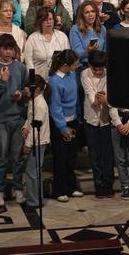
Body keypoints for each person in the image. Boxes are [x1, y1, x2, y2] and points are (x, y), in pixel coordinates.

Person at [0, 34, 29, 207]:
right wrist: (2, 82)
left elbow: (27, 88)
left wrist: (22, 94)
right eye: (5, 49)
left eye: (11, 49)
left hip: (17, 116)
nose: (8, 52)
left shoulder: (20, 67)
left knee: (17, 156)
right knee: (2, 157)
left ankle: (18, 188)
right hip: (1, 118)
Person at [47, 49, 82, 202]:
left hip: (73, 119)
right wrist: (63, 128)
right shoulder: (54, 81)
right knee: (60, 158)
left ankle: (71, 186)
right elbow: (55, 107)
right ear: (66, 65)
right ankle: (59, 190)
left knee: (71, 157)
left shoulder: (72, 74)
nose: (77, 67)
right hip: (60, 123)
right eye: (75, 65)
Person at [80, 50, 116, 198]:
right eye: (95, 69)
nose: (99, 72)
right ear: (90, 65)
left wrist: (104, 98)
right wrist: (98, 99)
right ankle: (99, 185)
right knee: (95, 155)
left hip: (107, 119)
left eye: (101, 69)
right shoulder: (85, 74)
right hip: (91, 119)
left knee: (108, 155)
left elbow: (110, 96)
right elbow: (90, 95)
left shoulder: (109, 74)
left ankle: (108, 184)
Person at [21, 73, 52, 209]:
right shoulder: (33, 101)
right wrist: (25, 127)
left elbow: (36, 126)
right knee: (33, 171)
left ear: (37, 89)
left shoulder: (39, 104)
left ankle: (34, 201)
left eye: (28, 87)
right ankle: (35, 198)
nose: (26, 90)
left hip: (38, 142)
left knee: (32, 172)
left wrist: (28, 144)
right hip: (35, 140)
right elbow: (30, 120)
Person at [23, 9, 70, 76]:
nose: (48, 22)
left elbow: (68, 58)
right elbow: (29, 63)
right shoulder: (32, 39)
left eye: (50, 19)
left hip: (59, 79)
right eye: (45, 20)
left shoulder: (62, 36)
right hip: (40, 80)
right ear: (40, 21)